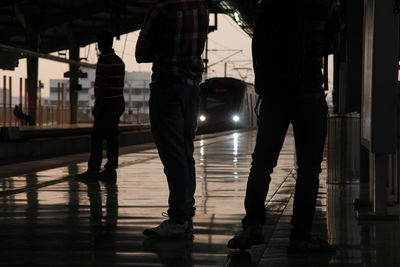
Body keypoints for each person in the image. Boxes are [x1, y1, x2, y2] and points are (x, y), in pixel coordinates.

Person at [227, 0, 340, 252]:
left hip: (274, 96)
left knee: (262, 164)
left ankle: (253, 226)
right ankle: (301, 236)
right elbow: (333, 42)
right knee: (309, 170)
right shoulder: (324, 5)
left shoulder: (268, 4)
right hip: (309, 93)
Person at [135, 0, 209, 239]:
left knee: (172, 153)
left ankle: (178, 218)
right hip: (192, 89)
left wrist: (161, 48)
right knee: (186, 154)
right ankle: (186, 215)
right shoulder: (201, 8)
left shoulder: (161, 8)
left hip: (167, 86)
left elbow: (140, 54)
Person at [76, 31, 125, 181]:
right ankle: (110, 171)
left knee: (97, 137)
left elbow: (103, 84)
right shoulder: (119, 61)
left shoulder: (104, 61)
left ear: (100, 44)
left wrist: (98, 105)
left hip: (107, 105)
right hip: (118, 103)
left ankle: (93, 170)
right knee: (112, 138)